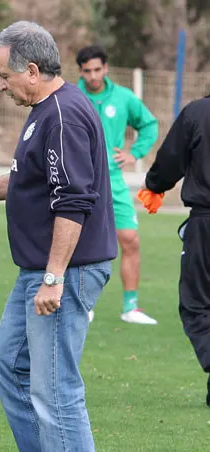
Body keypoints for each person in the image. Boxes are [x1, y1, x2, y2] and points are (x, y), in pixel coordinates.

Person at [0, 21, 116, 452]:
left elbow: (74, 199)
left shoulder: (65, 116)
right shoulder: (43, 113)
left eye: (4, 76)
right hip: (39, 270)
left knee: (56, 387)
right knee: (7, 364)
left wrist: (54, 276)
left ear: (32, 69)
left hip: (63, 272)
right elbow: (25, 181)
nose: (0, 86)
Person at [76, 45, 159, 324]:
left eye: (97, 69)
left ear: (106, 68)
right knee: (78, 242)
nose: (93, 76)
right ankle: (81, 305)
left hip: (113, 180)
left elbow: (149, 124)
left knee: (130, 239)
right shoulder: (72, 96)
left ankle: (130, 307)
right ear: (80, 72)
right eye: (87, 71)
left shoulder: (123, 97)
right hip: (80, 180)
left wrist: (133, 153)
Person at [141, 94, 210, 406]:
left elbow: (171, 159)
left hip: (206, 225)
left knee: (196, 305)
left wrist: (155, 186)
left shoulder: (198, 112)